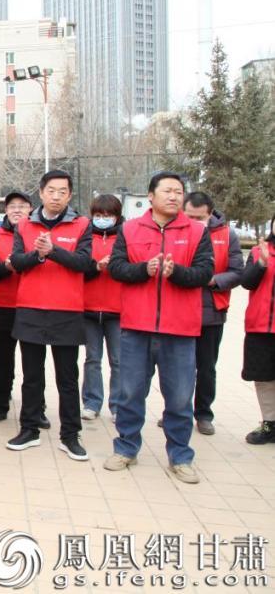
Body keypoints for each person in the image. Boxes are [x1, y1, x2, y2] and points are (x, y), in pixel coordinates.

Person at [106, 171, 213, 484]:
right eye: (167, 191)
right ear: (150, 196)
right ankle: (126, 448)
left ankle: (180, 456)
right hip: (136, 327)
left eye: (178, 191)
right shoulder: (129, 229)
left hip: (180, 329)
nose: (174, 196)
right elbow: (116, 268)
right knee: (129, 393)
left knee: (179, 397)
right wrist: (145, 269)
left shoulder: (195, 231)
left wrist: (176, 272)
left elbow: (205, 272)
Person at [7, 169, 91, 461]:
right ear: (40, 193)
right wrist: (38, 255)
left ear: (69, 195)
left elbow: (84, 264)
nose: (56, 196)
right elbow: (16, 262)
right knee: (32, 376)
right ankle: (29, 429)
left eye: (63, 191)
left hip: (66, 311)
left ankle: (70, 435)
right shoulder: (25, 226)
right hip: (30, 309)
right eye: (51, 191)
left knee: (67, 378)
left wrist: (53, 251)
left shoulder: (82, 225)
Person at [182, 191, 242, 435]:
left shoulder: (227, 235)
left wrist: (213, 280)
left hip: (211, 311)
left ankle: (203, 414)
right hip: (180, 308)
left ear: (210, 214)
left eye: (200, 217)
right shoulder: (177, 232)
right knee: (179, 366)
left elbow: (238, 271)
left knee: (206, 367)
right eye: (189, 216)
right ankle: (177, 411)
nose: (194, 221)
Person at [0, 191, 44, 426]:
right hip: (4, 304)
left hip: (34, 305)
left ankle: (37, 409)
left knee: (34, 362)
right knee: (2, 360)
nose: (17, 210)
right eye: (12, 206)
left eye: (22, 205)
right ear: (6, 211)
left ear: (31, 209)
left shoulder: (39, 234)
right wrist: (5, 267)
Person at [81, 194, 125, 422]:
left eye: (108, 216)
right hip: (88, 308)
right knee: (92, 359)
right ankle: (91, 402)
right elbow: (78, 268)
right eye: (98, 215)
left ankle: (117, 405)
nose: (103, 219)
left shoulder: (125, 237)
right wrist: (96, 267)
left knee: (118, 361)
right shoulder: (86, 236)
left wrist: (114, 266)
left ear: (117, 216)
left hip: (117, 310)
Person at [240, 216, 275, 445]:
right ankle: (269, 423)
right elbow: (247, 283)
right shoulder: (258, 252)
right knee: (263, 377)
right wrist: (262, 263)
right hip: (261, 326)